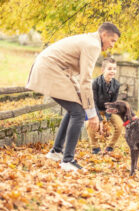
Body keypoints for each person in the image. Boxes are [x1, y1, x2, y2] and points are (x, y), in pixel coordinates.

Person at [26, 22, 120, 171]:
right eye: (112, 40)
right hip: (50, 70)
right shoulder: (93, 45)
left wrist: (83, 100)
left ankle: (56, 152)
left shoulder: (89, 40)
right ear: (104, 35)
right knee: (78, 112)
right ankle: (68, 160)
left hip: (53, 70)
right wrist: (92, 114)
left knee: (75, 109)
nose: (112, 45)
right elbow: (86, 80)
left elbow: (78, 79)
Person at [86, 57, 123, 154]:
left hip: (108, 110)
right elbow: (93, 102)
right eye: (109, 69)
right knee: (90, 124)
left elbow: (113, 103)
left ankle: (110, 147)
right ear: (103, 70)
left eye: (114, 69)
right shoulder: (95, 83)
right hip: (95, 109)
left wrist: (106, 118)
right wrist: (100, 120)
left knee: (119, 125)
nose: (112, 71)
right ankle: (95, 147)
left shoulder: (116, 84)